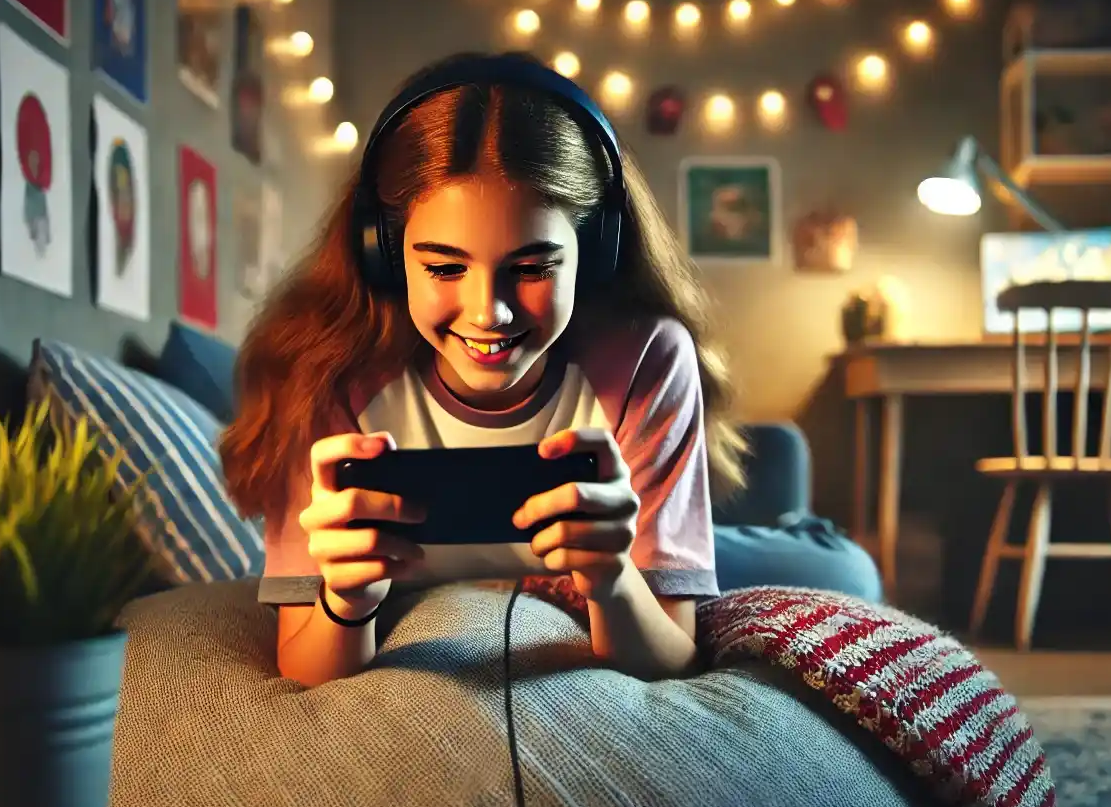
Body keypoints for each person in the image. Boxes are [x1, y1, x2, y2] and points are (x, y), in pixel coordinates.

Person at [219, 53, 747, 688]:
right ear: (383, 254)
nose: (488, 314)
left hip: (675, 545)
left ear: (597, 252)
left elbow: (673, 654)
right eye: (444, 267)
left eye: (531, 268)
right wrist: (344, 603)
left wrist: (611, 580)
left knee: (813, 556)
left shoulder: (645, 357)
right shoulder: (324, 371)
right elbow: (305, 663)